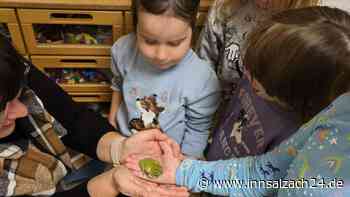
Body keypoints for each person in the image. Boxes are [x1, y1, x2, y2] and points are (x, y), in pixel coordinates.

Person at [126, 6, 350, 196]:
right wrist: (183, 171)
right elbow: (262, 173)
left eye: (258, 75)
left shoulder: (298, 127)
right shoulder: (336, 116)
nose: (245, 73)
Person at [0, 34, 188, 197]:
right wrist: (110, 183)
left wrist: (120, 147)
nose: (23, 110)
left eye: (19, 96)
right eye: (3, 108)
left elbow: (72, 116)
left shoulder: (11, 66)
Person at [107, 0, 221, 159]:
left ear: (192, 28)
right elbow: (118, 83)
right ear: (136, 25)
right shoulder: (123, 50)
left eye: (175, 43)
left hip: (169, 158)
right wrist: (111, 122)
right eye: (149, 40)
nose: (161, 55)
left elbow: (198, 129)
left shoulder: (202, 79)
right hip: (123, 144)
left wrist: (183, 166)